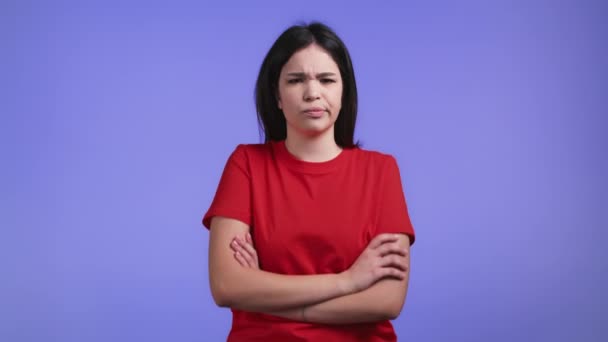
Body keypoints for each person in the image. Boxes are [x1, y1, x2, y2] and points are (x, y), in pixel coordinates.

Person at [202, 21, 416, 341]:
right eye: (296, 80)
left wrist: (265, 294)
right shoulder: (246, 164)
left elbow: (387, 300)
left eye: (326, 79)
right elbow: (226, 286)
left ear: (344, 92)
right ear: (276, 94)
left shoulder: (381, 171)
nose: (312, 92)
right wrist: (348, 281)